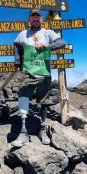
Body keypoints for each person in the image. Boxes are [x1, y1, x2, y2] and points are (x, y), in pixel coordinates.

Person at [11, 9, 66, 147]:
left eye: (37, 17)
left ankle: (42, 129)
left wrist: (46, 45)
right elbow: (16, 45)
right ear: (29, 19)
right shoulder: (23, 33)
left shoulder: (48, 33)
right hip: (28, 71)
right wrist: (17, 59)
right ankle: (23, 132)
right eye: (32, 17)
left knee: (44, 100)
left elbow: (61, 43)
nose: (35, 19)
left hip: (44, 72)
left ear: (41, 19)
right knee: (23, 97)